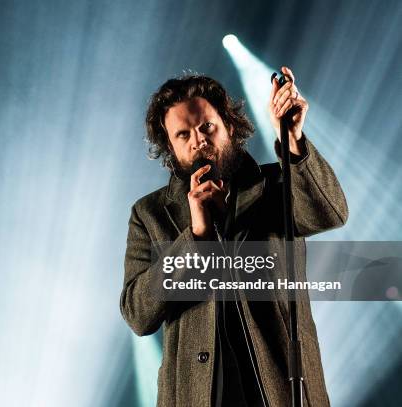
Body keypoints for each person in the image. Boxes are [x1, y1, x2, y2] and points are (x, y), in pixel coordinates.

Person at [120, 67, 348, 407]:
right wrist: (195, 236)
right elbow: (138, 315)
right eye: (183, 135)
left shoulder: (277, 185)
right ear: (169, 146)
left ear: (228, 125)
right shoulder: (149, 214)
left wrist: (294, 143)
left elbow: (330, 213)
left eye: (206, 126)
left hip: (281, 389)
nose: (199, 140)